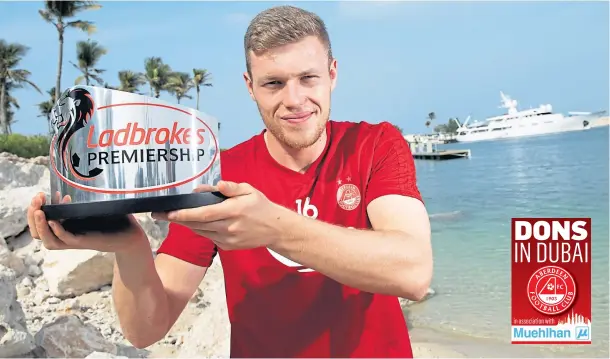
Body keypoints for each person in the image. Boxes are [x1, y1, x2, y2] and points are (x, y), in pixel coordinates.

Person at [27, 5, 433, 358]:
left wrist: (271, 227)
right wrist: (130, 248)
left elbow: (413, 272)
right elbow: (146, 330)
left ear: (332, 74)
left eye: (308, 78)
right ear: (250, 87)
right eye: (273, 83)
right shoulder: (215, 173)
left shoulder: (374, 144)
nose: (293, 99)